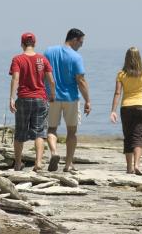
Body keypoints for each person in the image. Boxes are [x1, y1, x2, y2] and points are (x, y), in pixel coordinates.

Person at [44, 28, 91, 172]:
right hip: (70, 98)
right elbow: (81, 80)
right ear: (74, 39)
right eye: (81, 42)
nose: (81, 45)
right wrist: (88, 100)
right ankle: (68, 164)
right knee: (72, 132)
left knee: (51, 128)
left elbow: (43, 74)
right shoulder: (76, 57)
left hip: (51, 97)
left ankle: (54, 152)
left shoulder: (48, 52)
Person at [110, 47, 142, 175]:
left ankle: (129, 168)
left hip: (126, 107)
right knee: (139, 136)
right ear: (139, 58)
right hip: (141, 107)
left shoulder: (121, 74)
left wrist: (113, 110)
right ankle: (137, 165)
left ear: (126, 58)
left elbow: (117, 93)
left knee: (128, 137)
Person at [8, 32, 55, 172]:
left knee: (20, 132)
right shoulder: (42, 59)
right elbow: (51, 80)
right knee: (40, 132)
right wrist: (53, 94)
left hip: (23, 98)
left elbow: (15, 78)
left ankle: (17, 163)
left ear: (22, 44)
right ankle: (38, 163)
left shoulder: (17, 59)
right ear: (34, 43)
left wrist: (11, 98)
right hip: (40, 98)